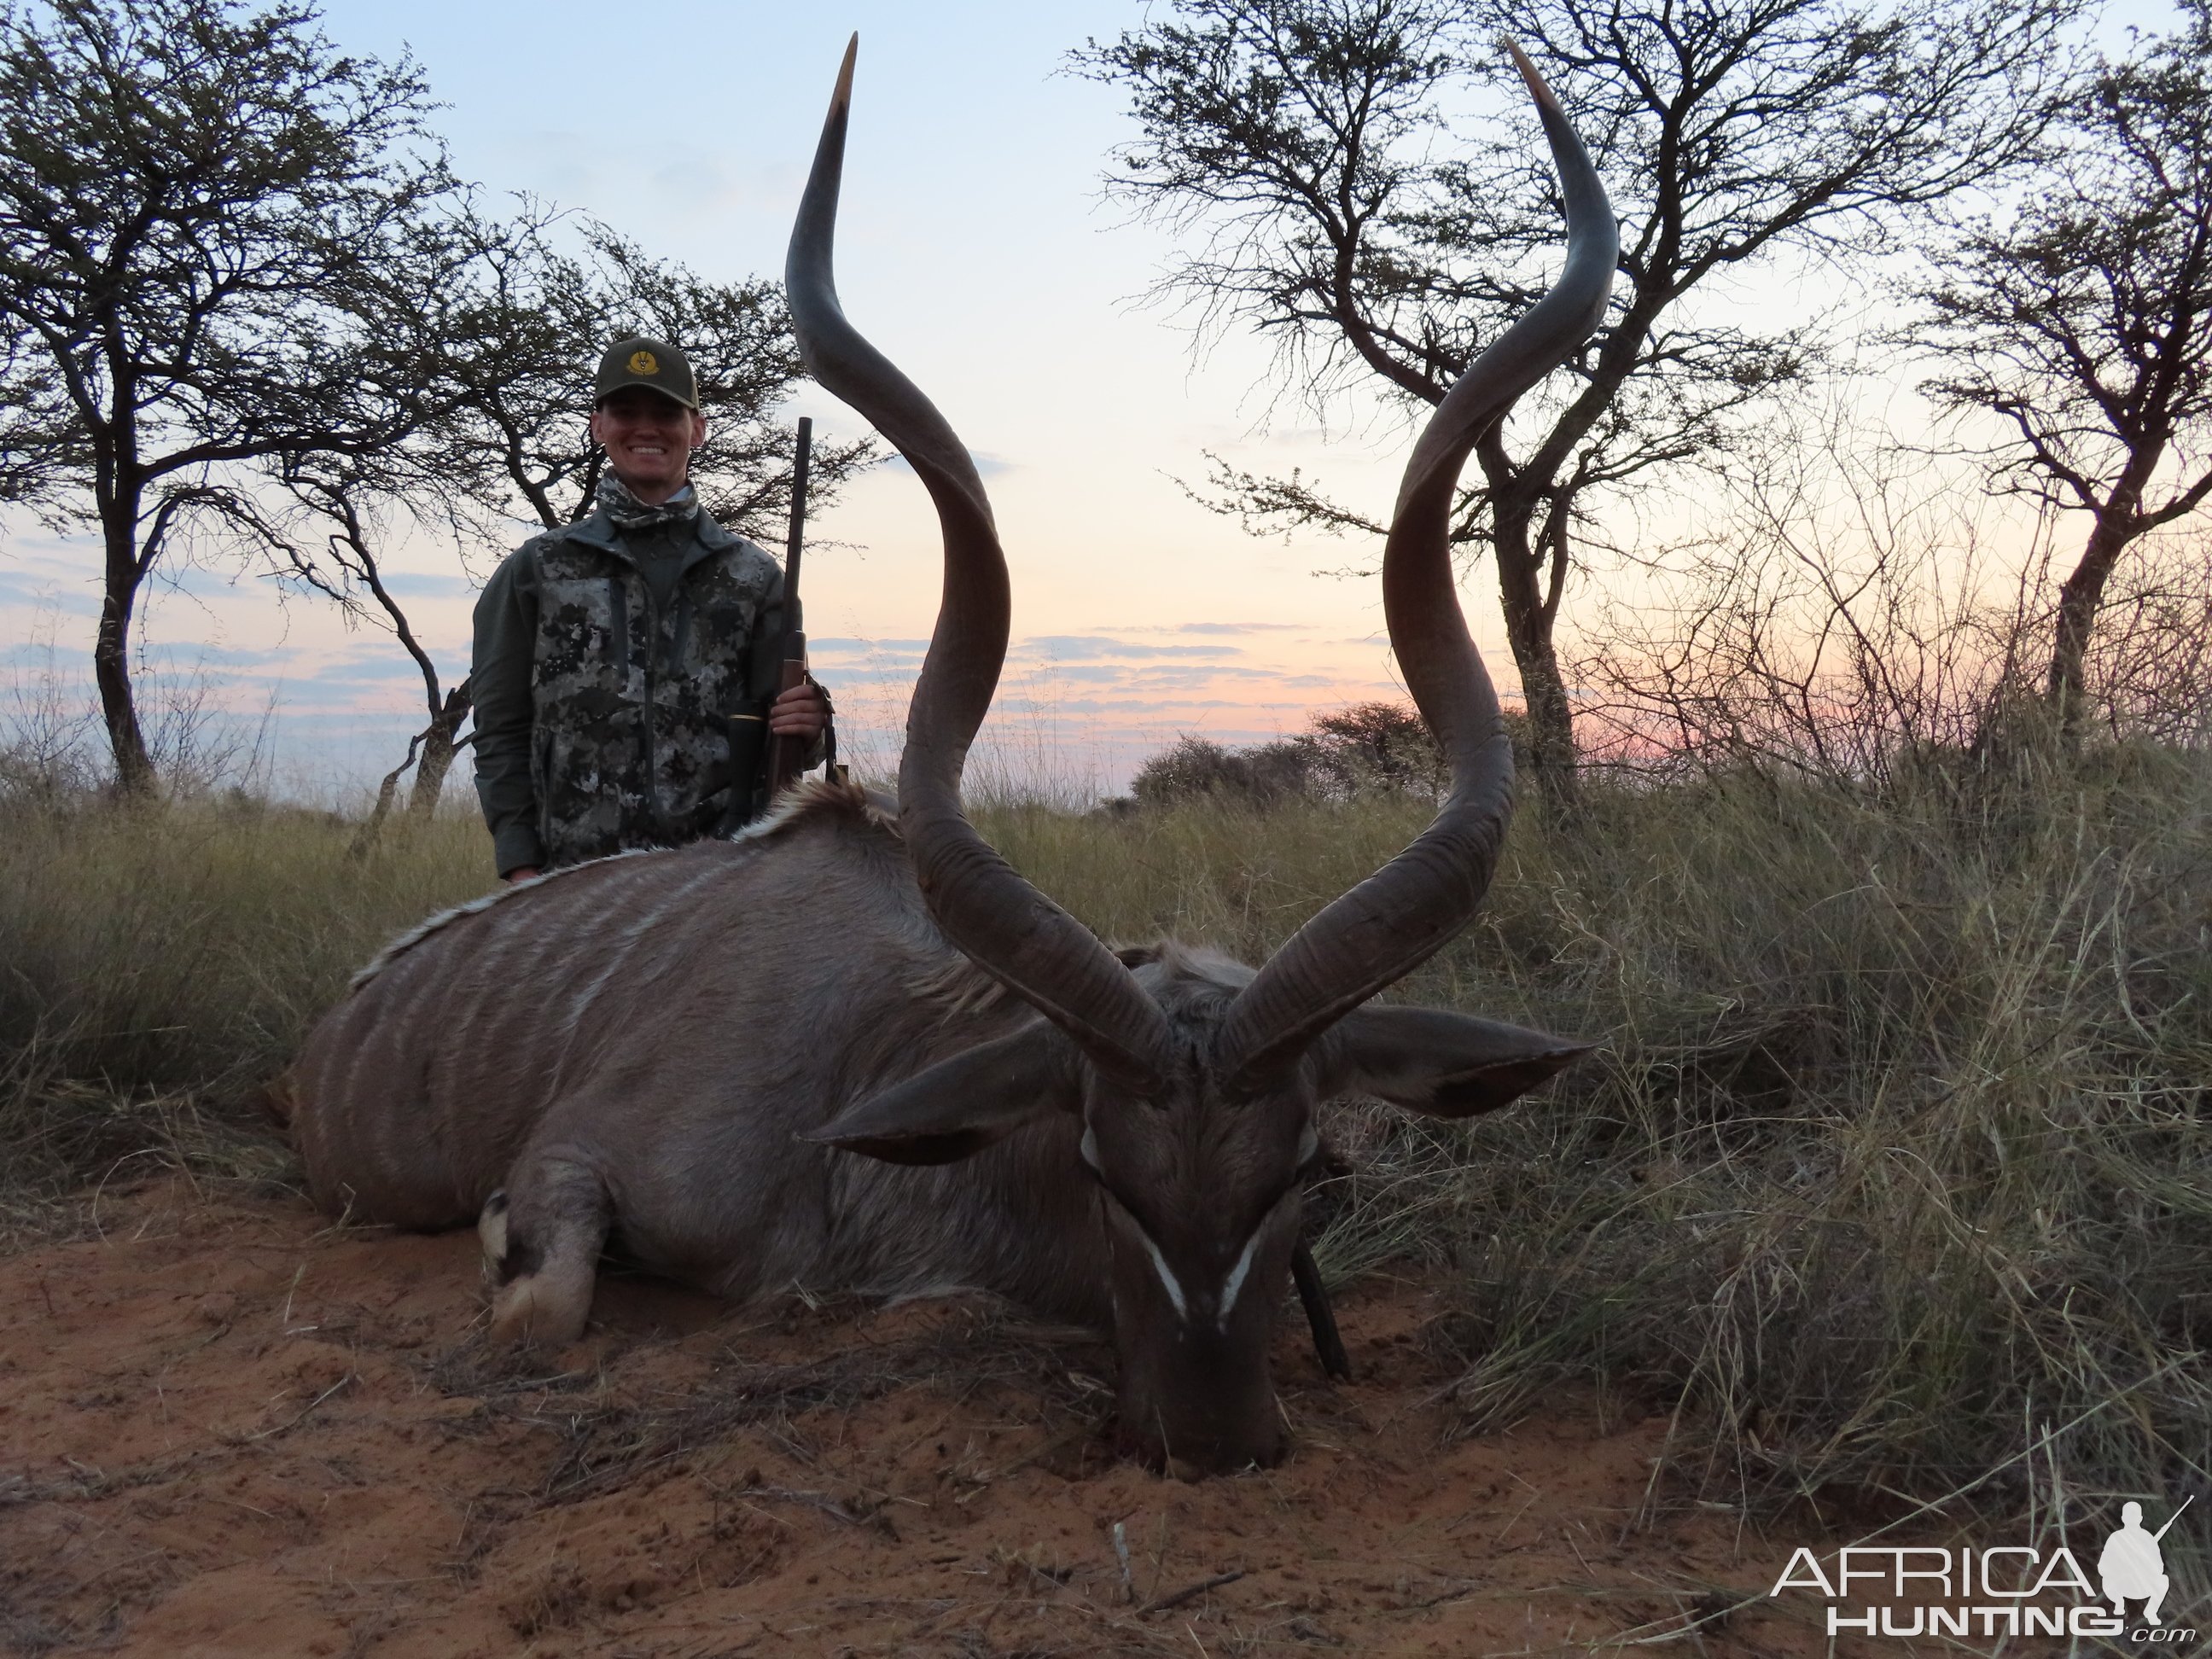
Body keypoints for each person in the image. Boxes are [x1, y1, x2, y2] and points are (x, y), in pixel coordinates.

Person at [470, 335, 830, 881]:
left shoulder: (756, 577)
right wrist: (521, 865)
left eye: (666, 412)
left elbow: (787, 743)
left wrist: (812, 728)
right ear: (598, 426)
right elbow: (500, 727)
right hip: (572, 882)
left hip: (720, 877)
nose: (647, 427)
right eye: (626, 411)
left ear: (697, 430)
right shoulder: (535, 570)